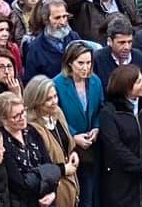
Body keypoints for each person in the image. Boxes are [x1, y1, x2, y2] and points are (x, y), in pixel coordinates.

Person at [98, 64, 142, 207]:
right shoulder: (109, 112)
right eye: (139, 82)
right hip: (122, 183)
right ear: (126, 86)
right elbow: (115, 147)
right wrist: (140, 167)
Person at [53, 41, 103, 207]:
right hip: (70, 148)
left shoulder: (95, 81)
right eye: (80, 63)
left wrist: (96, 127)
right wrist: (74, 136)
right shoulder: (57, 84)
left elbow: (100, 108)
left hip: (92, 146)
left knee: (93, 193)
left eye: (88, 63)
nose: (85, 67)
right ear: (69, 63)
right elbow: (56, 116)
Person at [23, 76, 80, 207]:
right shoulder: (31, 127)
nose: (54, 101)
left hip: (71, 183)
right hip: (52, 189)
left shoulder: (58, 113)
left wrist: (73, 152)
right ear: (36, 101)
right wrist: (63, 169)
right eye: (48, 99)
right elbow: (41, 164)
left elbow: (67, 142)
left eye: (55, 96)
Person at [24, 0, 81, 80]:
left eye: (64, 16)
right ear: (46, 19)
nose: (62, 22)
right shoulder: (35, 48)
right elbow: (31, 81)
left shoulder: (74, 37)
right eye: (57, 18)